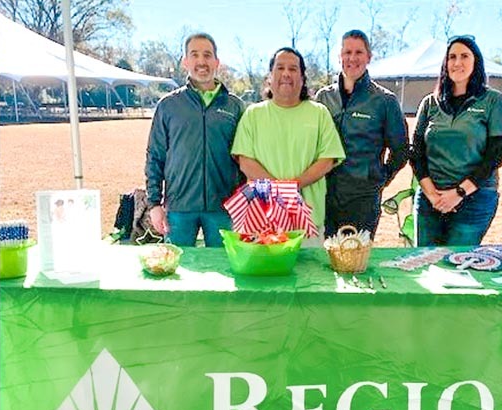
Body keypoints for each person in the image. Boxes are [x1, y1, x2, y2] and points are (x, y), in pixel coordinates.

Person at [231, 47, 346, 245]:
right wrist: (278, 191)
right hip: (261, 221)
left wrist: (293, 186)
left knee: (310, 275)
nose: (286, 74)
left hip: (308, 222)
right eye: (280, 68)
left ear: (302, 78)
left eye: (293, 69)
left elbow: (328, 159)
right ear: (269, 77)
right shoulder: (253, 114)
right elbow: (245, 161)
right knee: (262, 275)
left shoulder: (319, 113)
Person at [145, 33, 246, 247]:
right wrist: (154, 203)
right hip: (180, 207)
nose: (202, 61)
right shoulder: (168, 106)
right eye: (195, 55)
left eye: (207, 55)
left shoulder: (234, 106)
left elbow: (245, 159)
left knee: (225, 270)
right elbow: (155, 156)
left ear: (216, 62)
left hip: (223, 207)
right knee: (177, 271)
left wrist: (244, 204)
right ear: (185, 61)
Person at [410, 35, 502, 246]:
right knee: (424, 264)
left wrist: (458, 193)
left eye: (464, 56)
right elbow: (416, 153)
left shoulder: (492, 100)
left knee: (457, 266)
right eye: (452, 57)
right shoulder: (430, 103)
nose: (457, 63)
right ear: (445, 64)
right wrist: (431, 194)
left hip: (475, 199)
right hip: (431, 199)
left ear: (476, 61)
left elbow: (495, 156)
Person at [315, 29, 408, 239]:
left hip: (362, 200)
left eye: (359, 52)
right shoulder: (324, 97)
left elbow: (401, 150)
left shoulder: (384, 101)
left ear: (369, 57)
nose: (352, 58)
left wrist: (379, 179)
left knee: (354, 261)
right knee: (324, 261)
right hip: (325, 196)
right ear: (340, 56)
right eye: (347, 52)